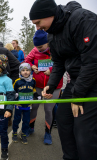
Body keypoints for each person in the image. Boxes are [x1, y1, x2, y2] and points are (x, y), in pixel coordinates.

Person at [29, 0, 97, 159]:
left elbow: (93, 61)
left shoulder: (83, 19)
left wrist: (78, 96)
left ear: (49, 14)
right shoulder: (52, 33)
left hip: (93, 82)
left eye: (38, 23)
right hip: (76, 82)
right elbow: (58, 62)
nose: (37, 28)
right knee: (63, 119)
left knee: (83, 130)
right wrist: (51, 86)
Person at [25, 30, 63, 145]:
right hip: (38, 86)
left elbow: (63, 63)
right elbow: (26, 61)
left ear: (48, 42)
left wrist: (51, 70)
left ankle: (48, 133)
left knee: (48, 109)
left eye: (41, 46)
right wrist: (32, 66)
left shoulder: (56, 48)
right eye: (36, 46)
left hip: (54, 86)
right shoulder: (35, 50)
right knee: (34, 107)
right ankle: (31, 127)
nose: (38, 49)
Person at [12, 63, 40, 144]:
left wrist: (37, 95)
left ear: (30, 71)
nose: (25, 72)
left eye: (27, 70)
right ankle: (14, 132)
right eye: (23, 70)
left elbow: (33, 89)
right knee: (16, 120)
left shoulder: (33, 80)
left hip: (28, 106)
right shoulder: (17, 81)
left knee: (26, 121)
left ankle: (23, 134)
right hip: (18, 105)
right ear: (20, 72)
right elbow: (13, 90)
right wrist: (15, 95)